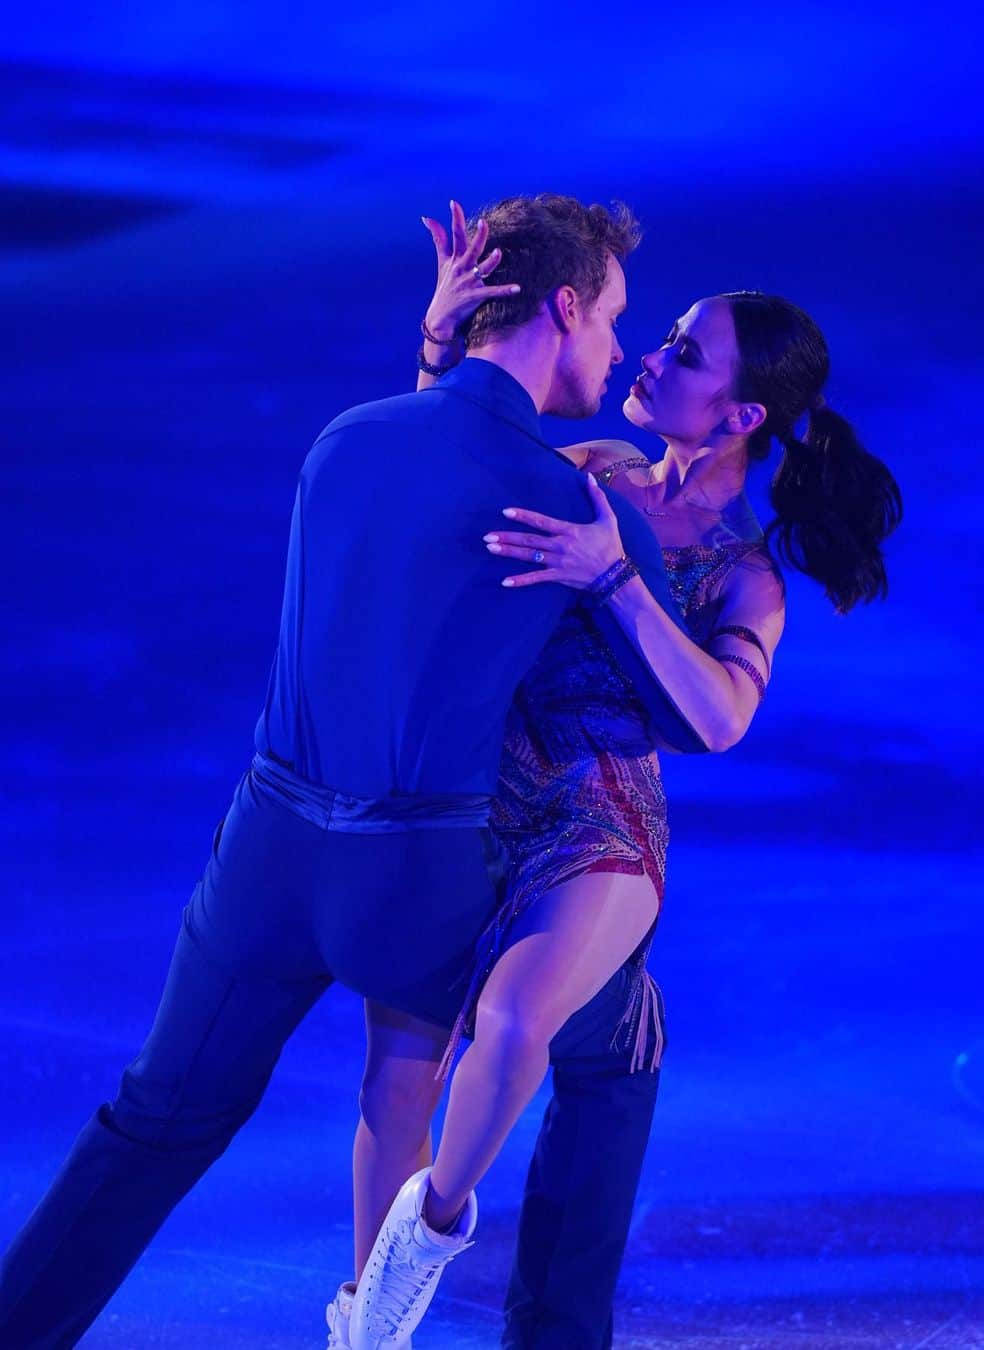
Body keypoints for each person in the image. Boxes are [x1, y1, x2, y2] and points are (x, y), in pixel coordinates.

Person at [0, 193, 709, 1350]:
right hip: (412, 893)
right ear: (566, 304)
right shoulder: (583, 504)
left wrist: (438, 355)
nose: (623, 348)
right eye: (615, 316)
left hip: (264, 870)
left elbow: (436, 475)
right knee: (613, 1036)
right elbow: (689, 722)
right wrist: (616, 577)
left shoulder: (345, 440)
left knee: (156, 1120)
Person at [350, 204, 903, 1348]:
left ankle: (428, 1237)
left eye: (686, 353)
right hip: (480, 782)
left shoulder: (749, 579)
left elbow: (718, 717)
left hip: (600, 815)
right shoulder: (592, 468)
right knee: (402, 1069)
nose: (652, 355)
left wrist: (617, 582)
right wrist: (437, 352)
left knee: (508, 1027)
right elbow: (431, 486)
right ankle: (368, 1327)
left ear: (743, 413)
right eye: (663, 337)